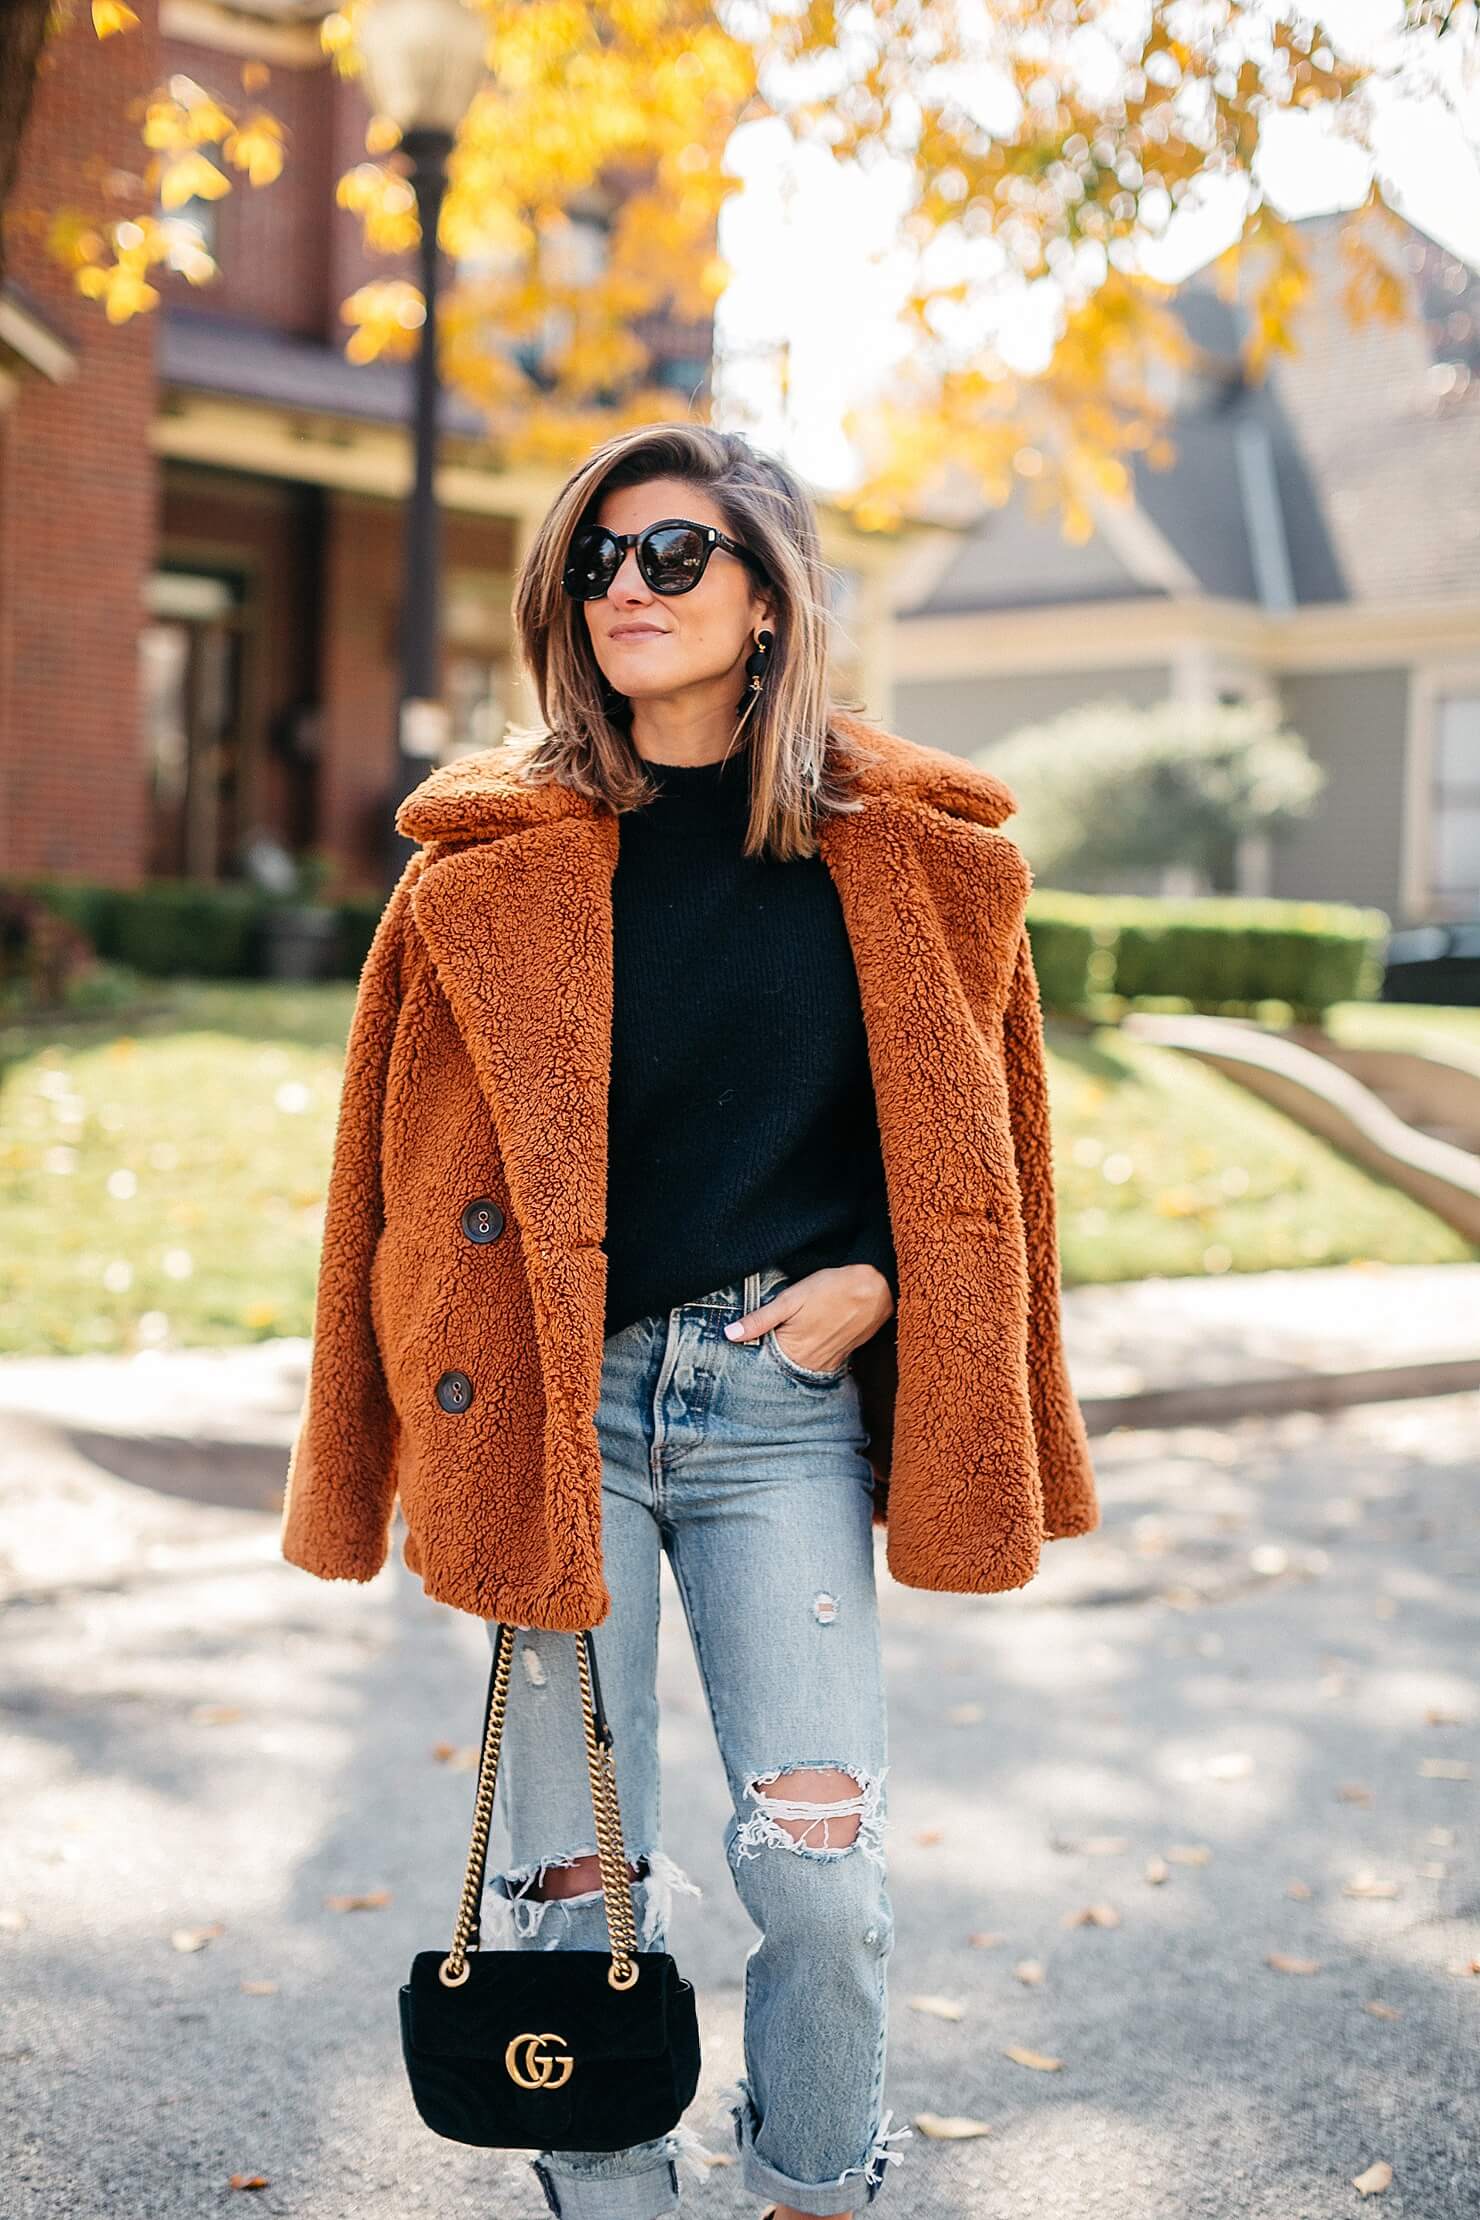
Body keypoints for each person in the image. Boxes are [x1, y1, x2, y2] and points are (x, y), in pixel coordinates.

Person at [281, 423, 1100, 2220]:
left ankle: (816, 2182)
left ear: (765, 597)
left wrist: (882, 1283)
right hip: (550, 1410)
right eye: (595, 561)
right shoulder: (476, 868)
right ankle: (614, 2191)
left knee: (819, 1872)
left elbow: (992, 1156)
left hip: (775, 1405)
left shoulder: (925, 864)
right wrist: (369, 1442)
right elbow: (379, 1186)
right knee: (574, 1884)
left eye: (670, 557)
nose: (623, 592)